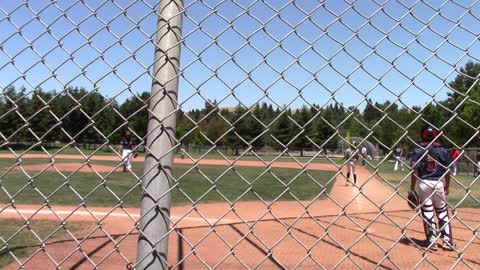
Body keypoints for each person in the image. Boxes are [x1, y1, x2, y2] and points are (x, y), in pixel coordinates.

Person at [410, 125, 455, 251]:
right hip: (438, 183)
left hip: (424, 183)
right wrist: (447, 185)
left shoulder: (419, 150)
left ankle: (432, 240)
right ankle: (447, 240)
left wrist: (412, 188)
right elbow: (447, 171)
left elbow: (415, 171)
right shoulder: (442, 150)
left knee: (428, 211)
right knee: (442, 212)